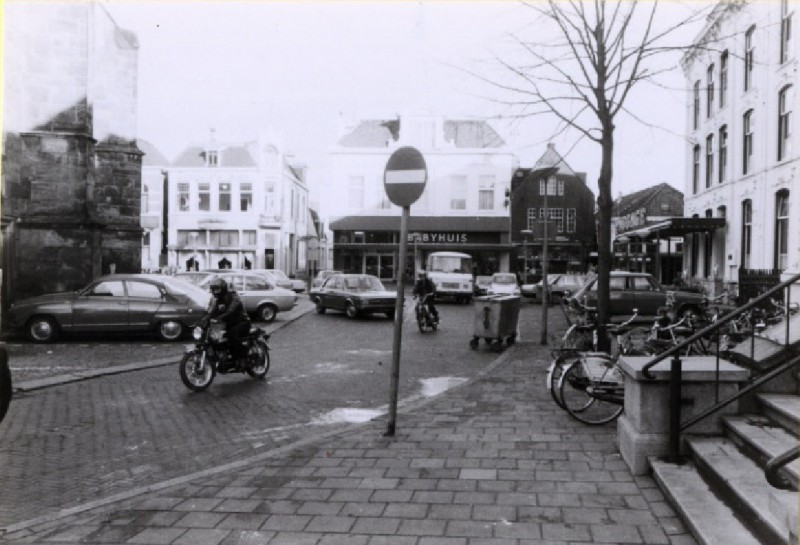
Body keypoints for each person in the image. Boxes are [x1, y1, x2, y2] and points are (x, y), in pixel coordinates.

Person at [202, 277, 251, 370]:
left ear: (223, 288)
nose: (215, 292)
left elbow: (231, 311)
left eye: (217, 289)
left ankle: (242, 359)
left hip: (242, 322)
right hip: (229, 324)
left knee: (233, 337)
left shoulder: (233, 296)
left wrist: (220, 317)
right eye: (213, 290)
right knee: (217, 338)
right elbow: (213, 312)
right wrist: (205, 319)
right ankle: (223, 359)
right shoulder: (218, 300)